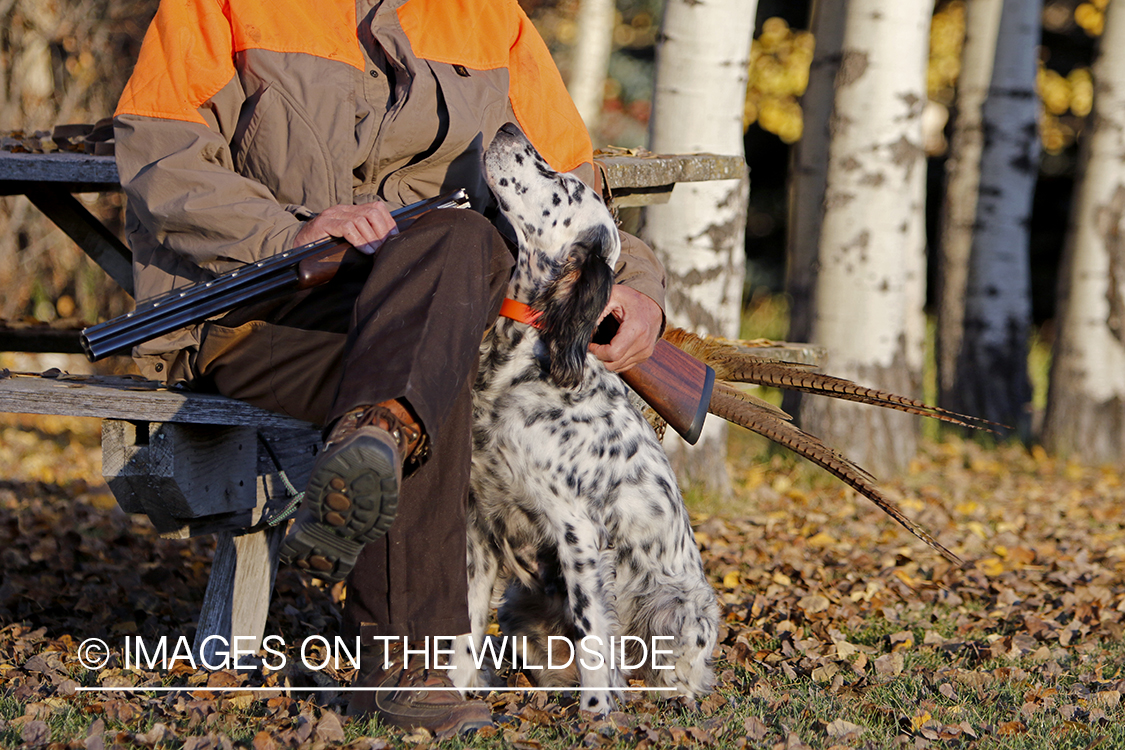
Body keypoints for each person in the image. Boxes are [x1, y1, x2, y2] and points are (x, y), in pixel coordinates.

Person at [113, 0, 666, 736]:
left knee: (457, 248)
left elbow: (570, 182)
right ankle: (405, 645)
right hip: (259, 314)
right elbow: (160, 156)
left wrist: (642, 289)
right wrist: (293, 232)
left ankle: (380, 439)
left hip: (430, 312)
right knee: (435, 362)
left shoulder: (486, 16)